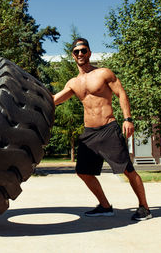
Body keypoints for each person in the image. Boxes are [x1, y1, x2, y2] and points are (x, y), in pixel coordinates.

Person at [52, 38, 152, 221]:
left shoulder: (104, 73)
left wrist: (127, 119)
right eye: (76, 52)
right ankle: (105, 206)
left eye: (83, 50)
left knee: (128, 170)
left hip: (108, 128)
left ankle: (144, 208)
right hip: (89, 133)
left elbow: (121, 93)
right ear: (73, 55)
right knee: (83, 172)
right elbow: (53, 100)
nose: (80, 54)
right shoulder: (73, 83)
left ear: (89, 52)